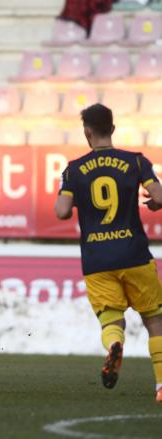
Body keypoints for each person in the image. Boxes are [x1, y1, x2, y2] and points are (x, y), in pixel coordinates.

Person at [55, 103, 162, 403]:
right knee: (155, 319)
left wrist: (74, 196)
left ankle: (115, 343)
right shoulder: (136, 162)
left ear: (86, 132)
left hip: (97, 260)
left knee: (111, 318)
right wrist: (155, 204)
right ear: (113, 129)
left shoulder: (74, 170)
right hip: (135, 254)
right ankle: (161, 386)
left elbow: (62, 212)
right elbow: (159, 196)